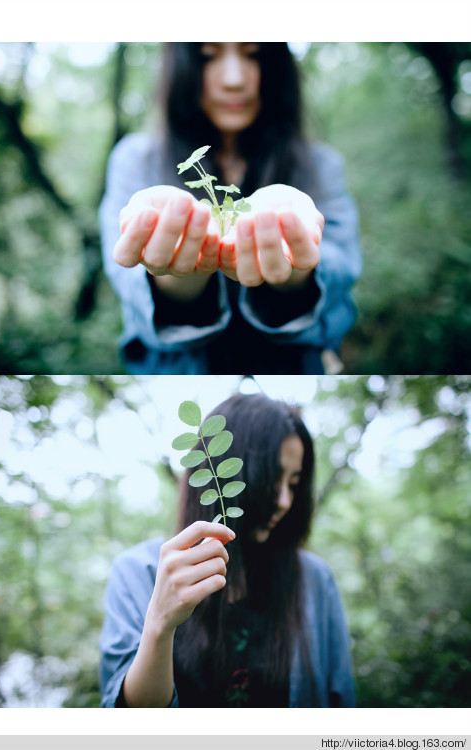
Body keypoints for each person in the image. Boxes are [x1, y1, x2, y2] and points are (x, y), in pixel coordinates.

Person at [99, 43, 362, 375]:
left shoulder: (320, 165)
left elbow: (342, 274)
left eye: (253, 55)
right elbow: (128, 285)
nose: (234, 80)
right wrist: (178, 282)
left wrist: (296, 271)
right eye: (209, 56)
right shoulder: (135, 160)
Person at [99, 393, 355, 707]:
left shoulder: (314, 579)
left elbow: (341, 699)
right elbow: (129, 715)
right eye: (273, 478)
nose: (285, 500)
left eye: (294, 483)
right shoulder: (139, 571)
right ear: (225, 473)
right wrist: (159, 626)